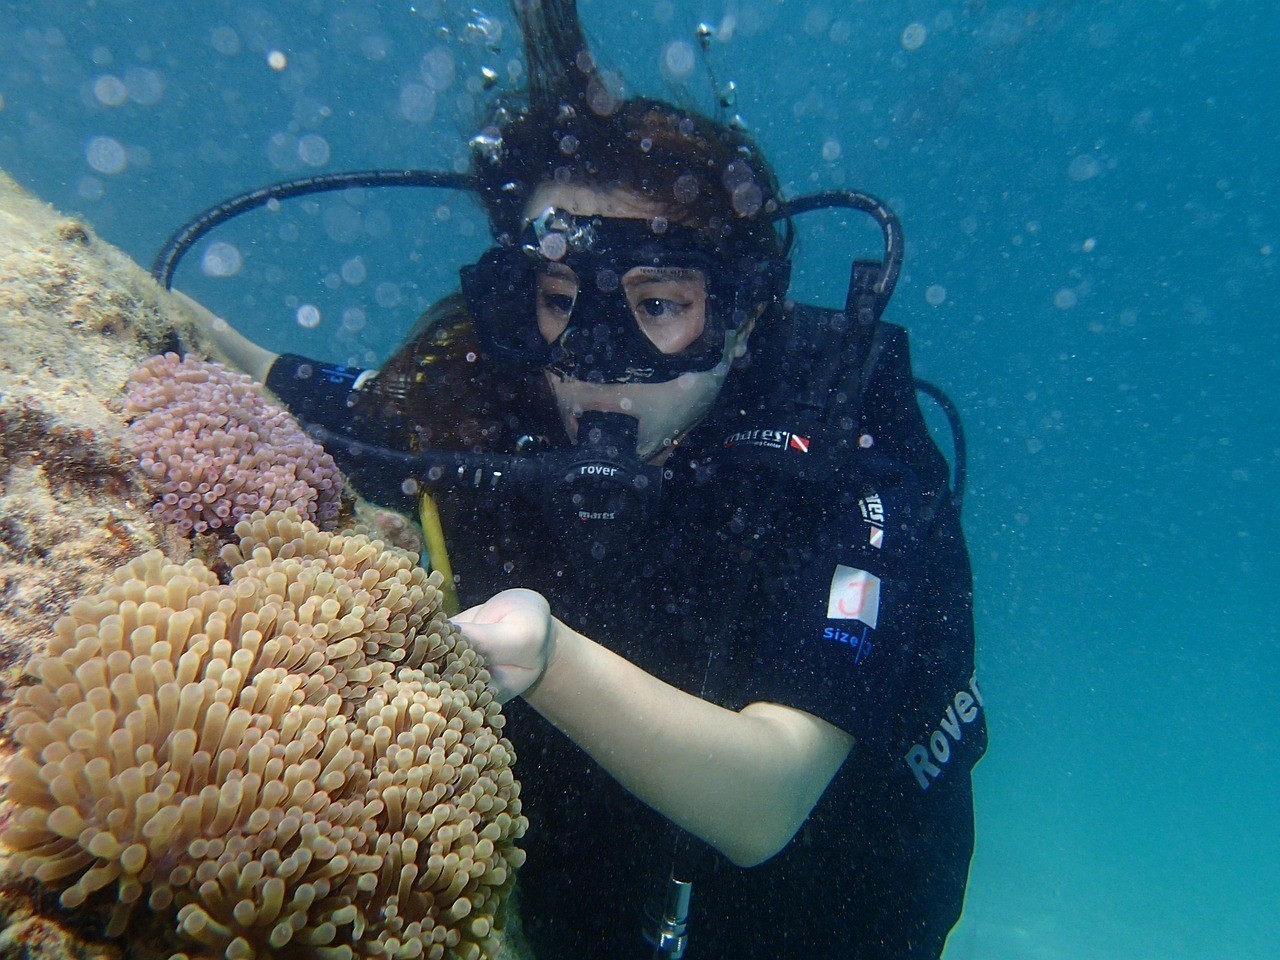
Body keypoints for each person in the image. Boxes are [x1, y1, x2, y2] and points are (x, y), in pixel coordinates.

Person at [192, 2, 986, 957]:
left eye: (658, 304)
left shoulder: (852, 461)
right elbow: (263, 366)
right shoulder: (492, 403)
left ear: (738, 317)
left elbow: (768, 796)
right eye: (561, 300)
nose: (597, 358)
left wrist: (547, 657)